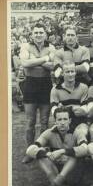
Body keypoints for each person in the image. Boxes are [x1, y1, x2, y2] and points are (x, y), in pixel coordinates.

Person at [25, 107, 89, 186]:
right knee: (41, 154)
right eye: (59, 119)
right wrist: (46, 154)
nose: (62, 123)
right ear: (55, 121)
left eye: (65, 119)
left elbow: (85, 149)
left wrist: (63, 151)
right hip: (55, 169)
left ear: (70, 121)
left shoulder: (77, 132)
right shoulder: (49, 133)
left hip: (72, 172)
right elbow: (30, 149)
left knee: (74, 155)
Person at [19, 23, 55, 163]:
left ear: (45, 34)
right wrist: (45, 59)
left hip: (46, 85)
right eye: (36, 32)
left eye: (41, 32)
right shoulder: (25, 46)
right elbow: (25, 64)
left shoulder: (51, 47)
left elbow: (52, 66)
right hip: (30, 84)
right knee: (30, 122)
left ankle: (42, 149)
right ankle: (30, 151)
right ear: (32, 34)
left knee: (45, 121)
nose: (39, 35)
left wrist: (33, 60)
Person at [50, 61, 89, 146]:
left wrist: (64, 108)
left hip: (80, 121)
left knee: (81, 132)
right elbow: (54, 111)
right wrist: (73, 108)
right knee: (52, 135)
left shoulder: (83, 87)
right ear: (62, 73)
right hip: (63, 121)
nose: (70, 74)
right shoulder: (55, 90)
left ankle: (82, 153)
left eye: (72, 71)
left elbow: (84, 110)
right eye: (67, 72)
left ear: (75, 72)